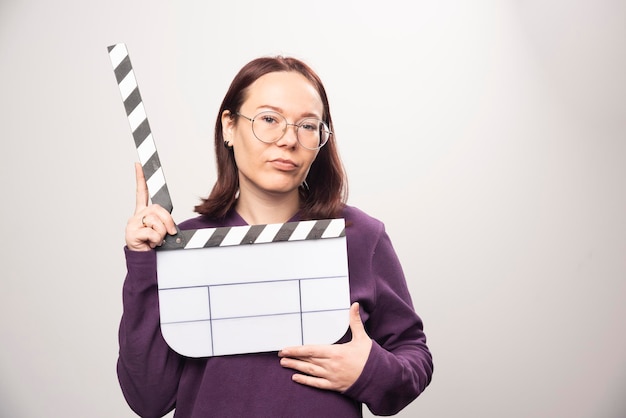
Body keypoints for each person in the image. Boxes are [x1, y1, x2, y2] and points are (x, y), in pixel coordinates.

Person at [118, 55, 433, 417]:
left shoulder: (361, 237)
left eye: (308, 126)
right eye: (269, 119)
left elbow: (414, 356)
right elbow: (148, 398)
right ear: (229, 127)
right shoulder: (181, 246)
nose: (288, 140)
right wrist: (143, 262)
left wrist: (369, 370)